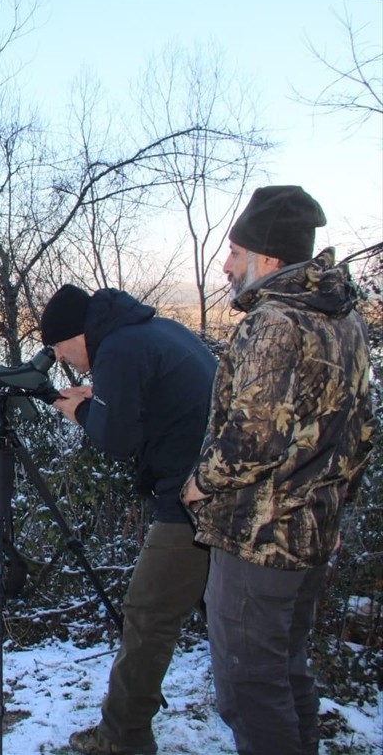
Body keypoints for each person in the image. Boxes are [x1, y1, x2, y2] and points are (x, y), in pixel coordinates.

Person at [182, 185, 375, 755]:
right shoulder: (342, 319)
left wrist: (200, 482)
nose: (226, 265)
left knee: (250, 691)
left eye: (235, 253)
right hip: (310, 534)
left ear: (266, 259)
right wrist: (335, 510)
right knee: (287, 675)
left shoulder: (275, 322)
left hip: (259, 539)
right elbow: (361, 431)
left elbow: (252, 440)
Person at [40, 282, 216, 755]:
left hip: (192, 501)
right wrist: (102, 397)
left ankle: (122, 737)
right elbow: (152, 404)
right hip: (223, 494)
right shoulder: (151, 331)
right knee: (229, 614)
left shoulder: (116, 348)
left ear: (77, 334)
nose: (62, 360)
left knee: (148, 614)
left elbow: (117, 440)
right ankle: (277, 711)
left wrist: (80, 412)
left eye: (59, 348)